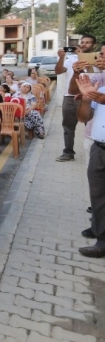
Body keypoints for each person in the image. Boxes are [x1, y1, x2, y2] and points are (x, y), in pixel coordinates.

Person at [75, 74, 105, 257]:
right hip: (99, 148)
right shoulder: (100, 90)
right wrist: (86, 101)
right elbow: (83, 117)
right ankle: (101, 241)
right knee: (98, 197)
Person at [56, 35, 98, 162]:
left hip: (90, 97)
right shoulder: (71, 59)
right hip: (70, 97)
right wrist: (61, 58)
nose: (84, 44)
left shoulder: (97, 59)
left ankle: (94, 153)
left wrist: (83, 58)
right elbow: (58, 71)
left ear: (94, 45)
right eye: (82, 42)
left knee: (91, 125)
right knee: (68, 126)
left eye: (88, 42)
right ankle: (68, 152)